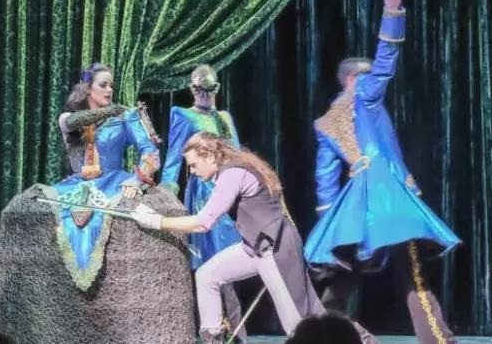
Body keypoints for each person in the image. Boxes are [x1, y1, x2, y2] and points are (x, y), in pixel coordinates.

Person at [304, 0, 460, 344]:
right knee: (411, 269)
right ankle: (436, 338)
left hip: (355, 208)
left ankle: (328, 334)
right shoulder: (366, 94)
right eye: (367, 74)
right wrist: (392, 11)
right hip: (388, 196)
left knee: (346, 272)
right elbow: (387, 62)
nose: (374, 79)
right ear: (354, 79)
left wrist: (330, 224)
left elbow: (325, 179)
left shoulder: (325, 121)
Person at [132, 132, 376, 344]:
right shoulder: (230, 170)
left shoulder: (232, 174)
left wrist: (158, 221)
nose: (193, 172)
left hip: (275, 249)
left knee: (299, 322)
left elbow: (204, 222)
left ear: (210, 157)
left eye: (194, 165)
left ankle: (364, 341)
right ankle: (213, 339)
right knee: (207, 275)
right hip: (254, 248)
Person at [54, 63, 160, 290]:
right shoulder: (68, 118)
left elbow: (150, 151)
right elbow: (74, 121)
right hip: (78, 184)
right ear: (87, 88)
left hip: (112, 181)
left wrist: (137, 179)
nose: (109, 90)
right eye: (103, 85)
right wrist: (111, 110)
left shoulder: (125, 117)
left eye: (111, 85)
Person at [160, 64, 244, 341]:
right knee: (210, 262)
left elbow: (238, 155)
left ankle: (235, 332)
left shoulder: (224, 118)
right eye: (199, 89)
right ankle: (215, 331)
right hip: (202, 194)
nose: (205, 95)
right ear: (192, 89)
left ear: (217, 89)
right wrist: (167, 192)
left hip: (227, 191)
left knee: (229, 263)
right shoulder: (184, 116)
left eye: (210, 89)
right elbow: (174, 158)